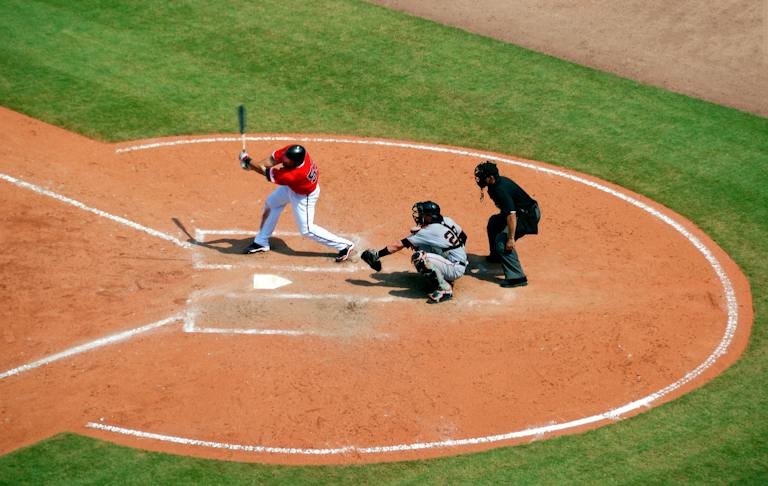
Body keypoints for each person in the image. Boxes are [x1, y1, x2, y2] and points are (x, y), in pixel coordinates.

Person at [238, 144, 354, 262]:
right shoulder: (293, 151)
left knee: (306, 230)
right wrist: (252, 166)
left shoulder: (295, 174)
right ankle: (261, 242)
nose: (284, 160)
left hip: (304, 196)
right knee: (272, 204)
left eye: (288, 161)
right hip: (292, 188)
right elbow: (272, 160)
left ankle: (344, 245)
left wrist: (247, 160)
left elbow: (265, 172)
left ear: (296, 162)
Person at [360, 201, 468, 304]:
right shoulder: (447, 220)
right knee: (419, 245)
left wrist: (378, 255)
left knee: (420, 257)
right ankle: (444, 272)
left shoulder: (429, 231)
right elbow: (463, 236)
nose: (419, 216)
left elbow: (400, 244)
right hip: (457, 261)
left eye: (423, 214)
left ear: (429, 216)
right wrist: (456, 252)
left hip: (454, 268)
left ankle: (445, 290)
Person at [474, 160, 541, 288]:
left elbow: (511, 215)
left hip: (527, 215)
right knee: (494, 223)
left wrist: (510, 238)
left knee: (502, 241)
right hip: (519, 213)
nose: (479, 178)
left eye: (483, 176)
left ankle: (517, 277)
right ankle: (497, 257)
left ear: (491, 177)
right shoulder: (494, 185)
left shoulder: (500, 189)